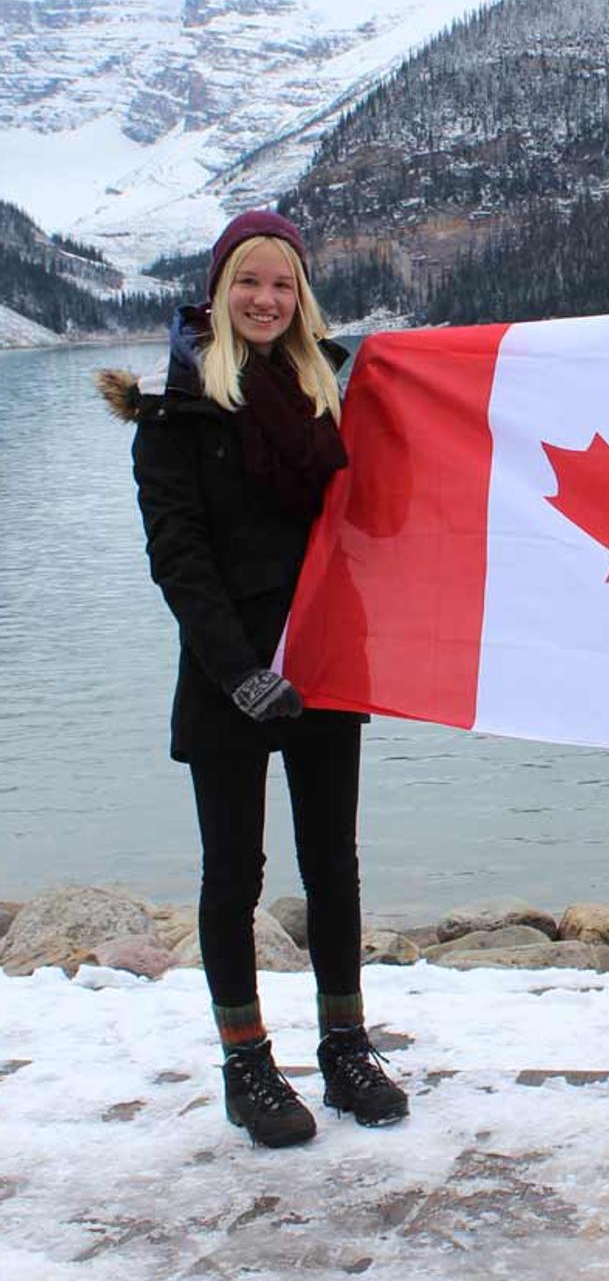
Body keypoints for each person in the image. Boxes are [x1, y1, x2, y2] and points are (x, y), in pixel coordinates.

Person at [98, 210, 408, 1149]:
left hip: (323, 659)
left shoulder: (332, 398)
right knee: (234, 873)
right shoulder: (174, 413)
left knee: (333, 866)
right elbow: (178, 559)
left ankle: (346, 1048)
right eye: (248, 283)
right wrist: (238, 673)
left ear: (300, 296)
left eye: (282, 285)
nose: (266, 301)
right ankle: (246, 1063)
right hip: (227, 671)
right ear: (219, 292)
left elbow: (379, 519)